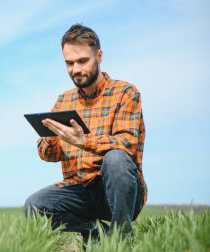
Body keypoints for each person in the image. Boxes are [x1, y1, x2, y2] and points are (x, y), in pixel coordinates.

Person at [23, 24, 147, 240]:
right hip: (79, 189)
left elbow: (127, 143)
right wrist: (51, 135)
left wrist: (83, 141)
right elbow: (48, 155)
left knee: (116, 158)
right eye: (69, 63)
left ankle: (121, 238)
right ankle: (94, 235)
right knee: (33, 206)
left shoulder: (126, 92)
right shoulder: (63, 100)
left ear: (98, 56)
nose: (75, 69)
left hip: (120, 191)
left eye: (82, 61)